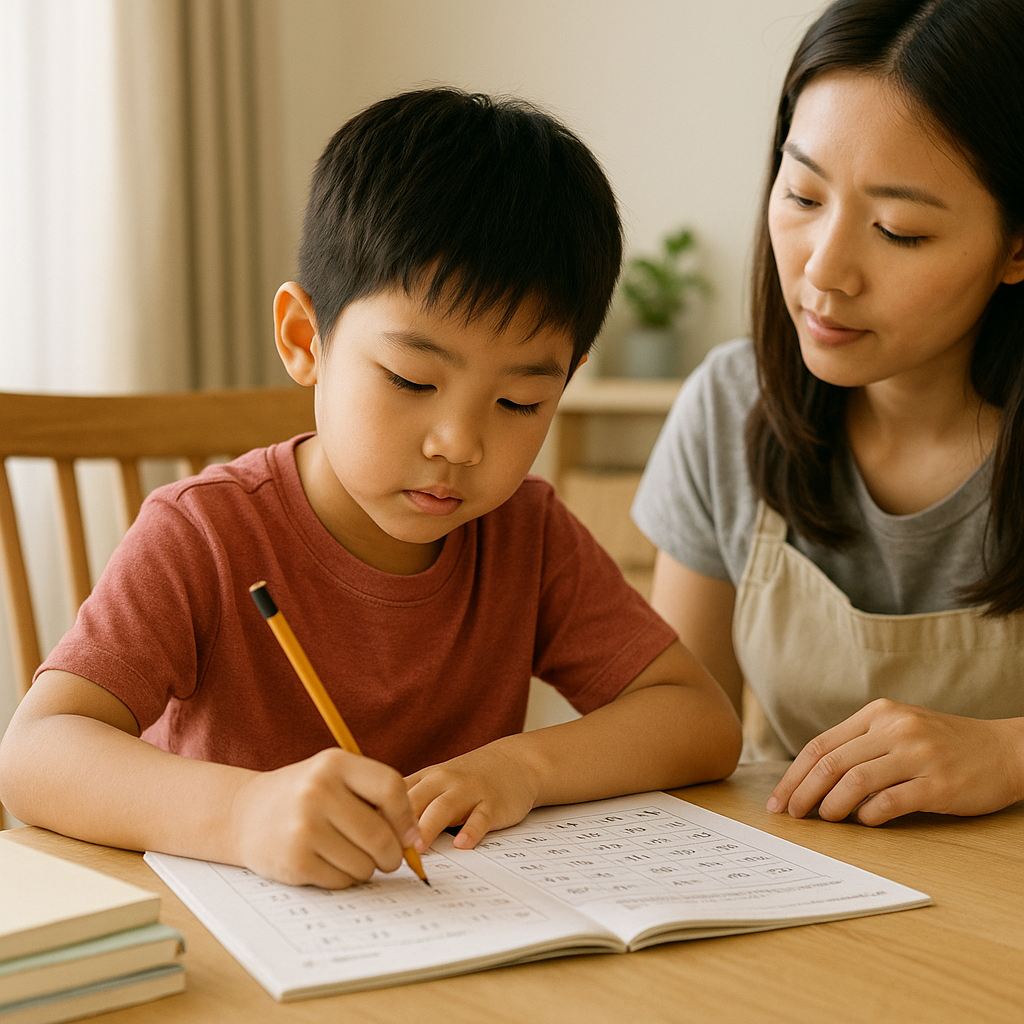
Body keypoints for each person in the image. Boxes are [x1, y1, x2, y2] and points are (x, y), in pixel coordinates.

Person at [0, 88, 741, 889]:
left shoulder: (527, 534)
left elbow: (700, 721)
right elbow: (37, 756)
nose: (459, 442)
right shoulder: (203, 533)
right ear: (302, 339)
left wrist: (521, 766)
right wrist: (244, 815)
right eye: (410, 378)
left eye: (521, 402)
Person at [632, 0, 1024, 827]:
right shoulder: (729, 407)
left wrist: (1009, 752)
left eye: (898, 230)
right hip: (808, 906)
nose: (827, 270)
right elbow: (675, 729)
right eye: (803, 194)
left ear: (1016, 246)